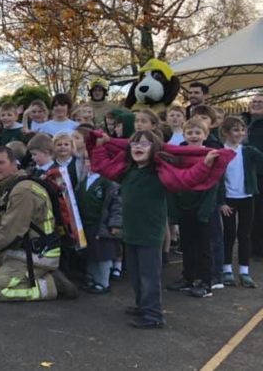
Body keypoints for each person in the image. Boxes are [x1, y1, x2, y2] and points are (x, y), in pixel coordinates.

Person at [91, 130, 229, 328]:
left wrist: (205, 164)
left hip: (150, 233)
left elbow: (186, 178)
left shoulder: (159, 173)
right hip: (131, 231)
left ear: (154, 149)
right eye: (135, 144)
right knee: (137, 275)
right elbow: (103, 166)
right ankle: (142, 306)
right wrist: (99, 147)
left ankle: (154, 314)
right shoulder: (127, 171)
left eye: (145, 144)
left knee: (149, 276)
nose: (139, 147)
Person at [0, 147, 77, 302]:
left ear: (15, 165)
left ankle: (51, 285)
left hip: (38, 255)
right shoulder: (12, 187)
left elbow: (11, 229)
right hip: (23, 250)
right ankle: (38, 276)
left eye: (1, 162)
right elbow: (0, 225)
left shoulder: (23, 190)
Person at [166, 118, 219, 297]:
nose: (194, 136)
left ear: (205, 135)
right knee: (187, 245)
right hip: (184, 206)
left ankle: (206, 282)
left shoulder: (211, 154)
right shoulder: (180, 155)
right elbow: (176, 179)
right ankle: (188, 278)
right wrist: (175, 208)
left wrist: (205, 211)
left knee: (204, 247)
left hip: (203, 209)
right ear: (184, 134)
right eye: (190, 133)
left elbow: (214, 185)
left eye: (198, 133)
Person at [218, 116, 263, 288]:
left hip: (247, 198)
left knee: (245, 234)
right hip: (228, 200)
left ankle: (244, 271)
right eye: (235, 130)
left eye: (242, 129)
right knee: (228, 234)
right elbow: (216, 180)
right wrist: (221, 202)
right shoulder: (221, 152)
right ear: (226, 132)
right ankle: (227, 269)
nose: (239, 133)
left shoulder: (249, 151)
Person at [76, 157, 122, 294]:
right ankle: (92, 279)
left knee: (103, 254)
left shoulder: (108, 182)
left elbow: (117, 205)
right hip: (86, 224)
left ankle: (103, 282)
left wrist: (115, 224)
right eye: (87, 161)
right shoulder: (84, 180)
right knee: (91, 253)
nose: (90, 164)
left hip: (102, 224)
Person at [241, 93, 263, 258]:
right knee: (250, 214)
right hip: (245, 174)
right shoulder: (243, 123)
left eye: (260, 102)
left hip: (260, 174)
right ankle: (253, 248)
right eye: (254, 102)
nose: (256, 104)